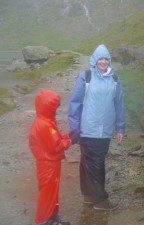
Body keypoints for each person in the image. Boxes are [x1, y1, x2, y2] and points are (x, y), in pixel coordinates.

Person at [68, 44, 125, 211]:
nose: (103, 61)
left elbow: (119, 104)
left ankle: (88, 196)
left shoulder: (115, 80)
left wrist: (120, 127)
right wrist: (74, 128)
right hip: (88, 129)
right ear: (94, 59)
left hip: (105, 130)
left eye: (106, 58)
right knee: (97, 163)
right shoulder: (86, 77)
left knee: (87, 162)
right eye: (100, 58)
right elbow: (75, 104)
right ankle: (100, 200)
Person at [29, 89, 72, 225]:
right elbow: (55, 146)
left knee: (53, 191)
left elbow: (54, 138)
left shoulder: (46, 120)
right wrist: (69, 141)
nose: (57, 110)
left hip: (51, 163)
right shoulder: (44, 124)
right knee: (48, 192)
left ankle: (53, 216)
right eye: (55, 106)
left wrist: (65, 136)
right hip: (48, 164)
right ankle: (43, 220)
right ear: (47, 106)